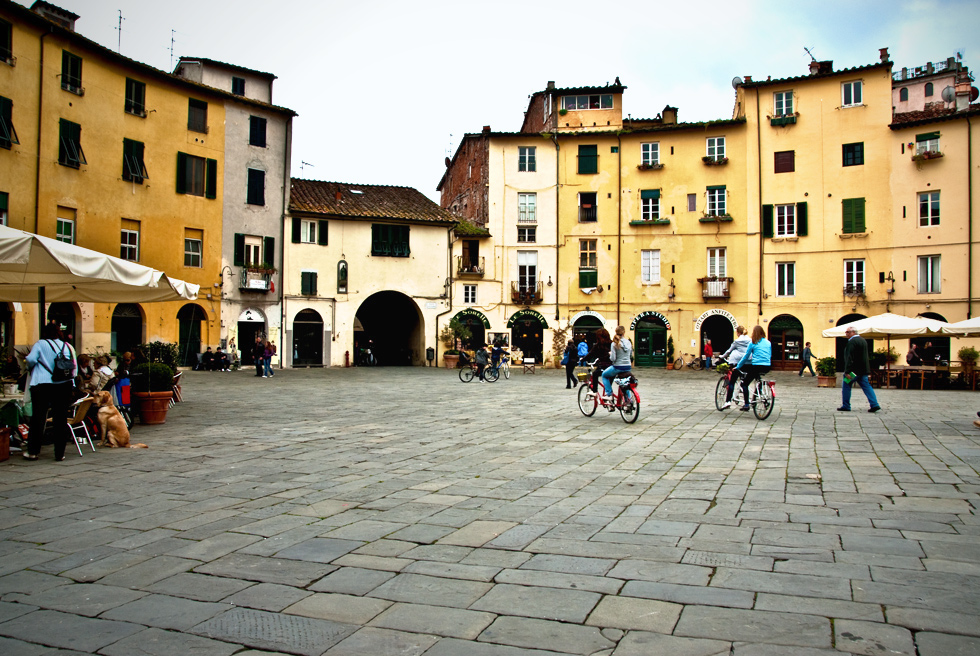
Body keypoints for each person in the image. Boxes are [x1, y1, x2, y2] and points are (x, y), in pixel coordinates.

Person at [24, 323, 78, 461]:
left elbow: (30, 359)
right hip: (63, 385)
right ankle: (60, 453)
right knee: (60, 419)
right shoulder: (68, 346)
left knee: (38, 418)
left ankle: (33, 451)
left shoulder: (41, 344)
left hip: (42, 384)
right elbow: (74, 368)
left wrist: (32, 366)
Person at [840, 326, 881, 413]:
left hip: (853, 372)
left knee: (846, 386)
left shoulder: (851, 342)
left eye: (847, 332)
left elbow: (849, 357)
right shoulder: (863, 340)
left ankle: (846, 405)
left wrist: (847, 371)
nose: (846, 334)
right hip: (863, 370)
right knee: (867, 387)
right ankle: (874, 404)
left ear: (853, 332)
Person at [736, 325, 771, 412]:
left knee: (745, 384)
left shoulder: (753, 343)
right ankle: (759, 392)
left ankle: (747, 404)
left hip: (756, 366)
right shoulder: (768, 342)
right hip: (767, 366)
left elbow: (746, 356)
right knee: (758, 378)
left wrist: (738, 366)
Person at [719, 325, 751, 408]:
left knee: (732, 382)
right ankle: (746, 403)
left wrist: (722, 357)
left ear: (738, 332)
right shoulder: (750, 340)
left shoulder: (737, 341)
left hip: (737, 363)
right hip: (748, 362)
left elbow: (729, 351)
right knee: (745, 383)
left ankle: (728, 401)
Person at [601, 326, 632, 403]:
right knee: (624, 382)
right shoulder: (628, 342)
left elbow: (613, 359)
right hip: (628, 366)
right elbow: (630, 355)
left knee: (604, 375)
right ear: (624, 333)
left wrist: (610, 354)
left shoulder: (614, 343)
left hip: (618, 366)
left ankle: (609, 394)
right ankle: (629, 399)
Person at [584, 328, 613, 393]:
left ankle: (594, 391)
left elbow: (590, 354)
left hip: (603, 366)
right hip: (613, 366)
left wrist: (582, 359)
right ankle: (609, 396)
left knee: (595, 374)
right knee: (609, 384)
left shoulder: (598, 345)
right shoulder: (612, 343)